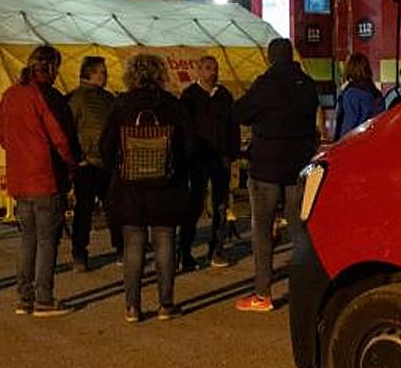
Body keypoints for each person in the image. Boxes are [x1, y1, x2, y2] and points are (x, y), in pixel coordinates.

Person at [100, 53, 193, 323]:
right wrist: (178, 171)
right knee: (165, 242)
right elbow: (189, 146)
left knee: (134, 245)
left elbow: (105, 147)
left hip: (130, 188)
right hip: (167, 186)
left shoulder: (122, 105)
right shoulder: (173, 106)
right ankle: (166, 303)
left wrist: (117, 170)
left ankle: (132, 306)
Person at [232, 38, 320, 312]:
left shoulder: (266, 84)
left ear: (270, 58)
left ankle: (263, 293)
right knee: (299, 229)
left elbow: (240, 113)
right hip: (298, 166)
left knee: (262, 229)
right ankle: (311, 286)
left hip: (267, 167)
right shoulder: (306, 84)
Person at [0, 46, 77, 318]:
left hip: (20, 178)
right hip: (46, 177)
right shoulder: (48, 96)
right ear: (52, 68)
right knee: (47, 241)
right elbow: (60, 138)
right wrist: (71, 164)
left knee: (27, 240)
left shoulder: (10, 94)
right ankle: (44, 297)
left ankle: (24, 297)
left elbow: (1, 135)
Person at [178, 55, 236, 271]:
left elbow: (233, 125)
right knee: (194, 204)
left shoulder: (224, 96)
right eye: (208, 68)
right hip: (198, 157)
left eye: (215, 68)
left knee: (221, 205)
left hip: (220, 156)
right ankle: (184, 252)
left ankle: (217, 249)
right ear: (198, 71)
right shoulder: (189, 97)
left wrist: (232, 151)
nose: (212, 72)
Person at [66, 55, 123, 271]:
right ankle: (79, 253)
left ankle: (121, 247)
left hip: (108, 163)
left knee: (114, 208)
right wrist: (77, 158)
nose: (105, 75)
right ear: (88, 73)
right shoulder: (77, 98)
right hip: (87, 163)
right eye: (101, 72)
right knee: (84, 209)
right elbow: (68, 129)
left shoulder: (109, 99)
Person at [334, 52, 383, 139]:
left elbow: (348, 127)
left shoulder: (351, 94)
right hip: (373, 141)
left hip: (355, 144)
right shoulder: (376, 93)